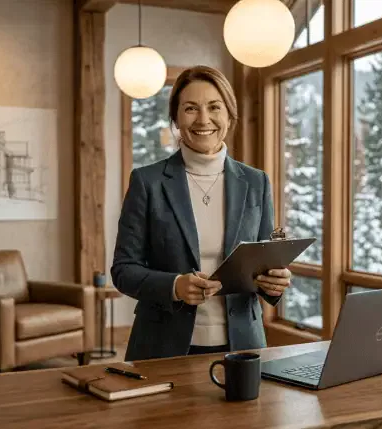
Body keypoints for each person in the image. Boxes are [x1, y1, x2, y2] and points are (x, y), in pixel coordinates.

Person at [111, 65, 292, 362]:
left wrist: (275, 282)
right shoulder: (147, 182)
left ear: (229, 115)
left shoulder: (256, 181)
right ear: (176, 118)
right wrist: (174, 286)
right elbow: (123, 269)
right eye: (191, 108)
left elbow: (263, 260)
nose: (203, 119)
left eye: (214, 107)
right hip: (163, 346)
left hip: (244, 345)